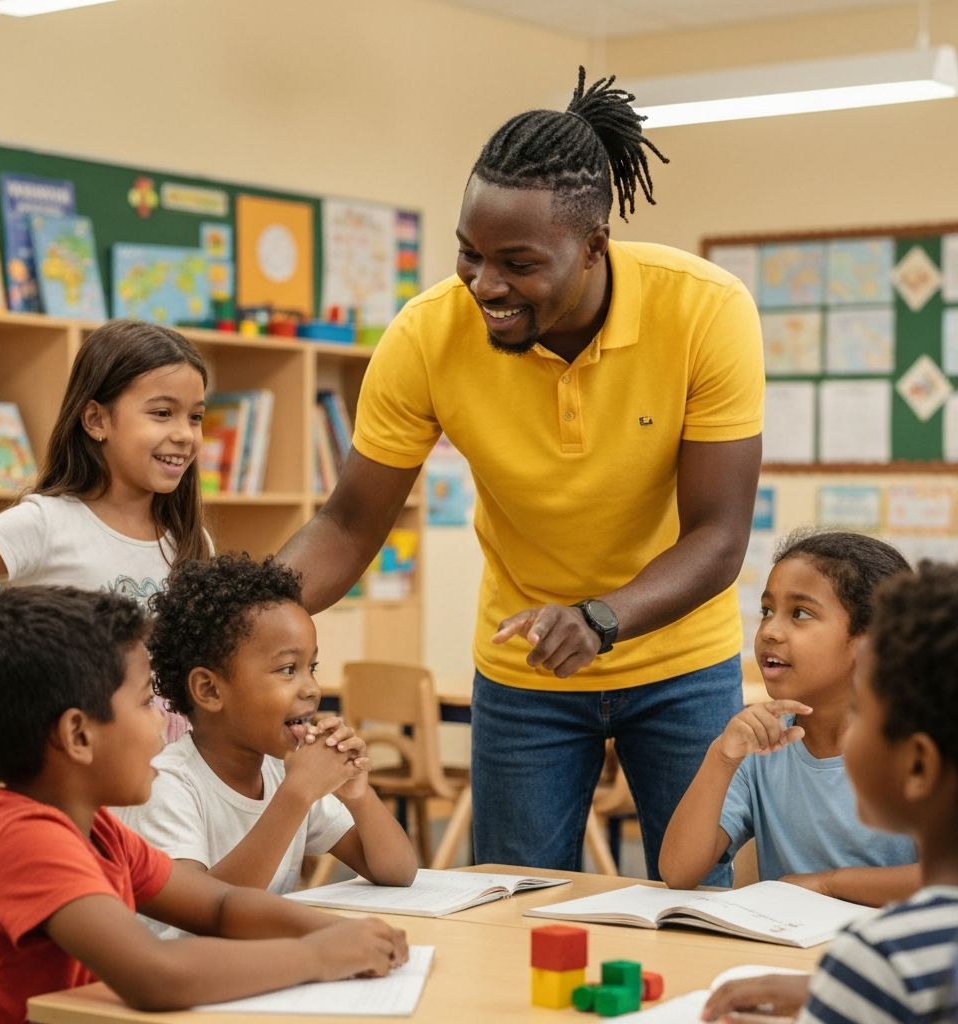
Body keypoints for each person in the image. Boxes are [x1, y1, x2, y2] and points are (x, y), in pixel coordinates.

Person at [276, 67, 765, 875]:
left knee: (695, 905)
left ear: (594, 247)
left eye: (518, 262)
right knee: (509, 905)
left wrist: (601, 617)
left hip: (679, 659)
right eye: (469, 253)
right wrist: (242, 615)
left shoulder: (704, 311)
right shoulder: (427, 335)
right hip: (525, 667)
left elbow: (719, 535)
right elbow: (348, 523)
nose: (485, 284)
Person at [0, 586, 407, 1023]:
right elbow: (156, 975)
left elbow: (220, 905)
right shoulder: (25, 840)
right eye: (145, 705)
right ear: (78, 735)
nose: (163, 726)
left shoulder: (99, 830)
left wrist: (344, 934)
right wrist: (319, 956)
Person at [702, 561, 958, 1024]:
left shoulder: (884, 960)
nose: (771, 632)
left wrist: (847, 987)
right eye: (765, 610)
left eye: (863, 708)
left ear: (919, 763)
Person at [0, 318, 211, 740]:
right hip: (72, 776)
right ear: (96, 420)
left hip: (172, 783)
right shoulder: (43, 523)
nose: (184, 435)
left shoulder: (192, 540)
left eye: (195, 417)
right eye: (161, 413)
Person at [116, 553, 417, 922]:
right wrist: (296, 795)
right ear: (209, 690)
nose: (311, 688)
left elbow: (397, 872)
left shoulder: (279, 772)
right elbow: (205, 917)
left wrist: (359, 796)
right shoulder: (168, 785)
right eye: (288, 669)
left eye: (313, 667)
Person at [660, 530, 919, 905]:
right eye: (767, 611)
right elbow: (678, 871)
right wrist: (721, 758)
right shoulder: (761, 745)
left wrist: (828, 884)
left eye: (800, 613)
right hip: (792, 951)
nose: (770, 631)